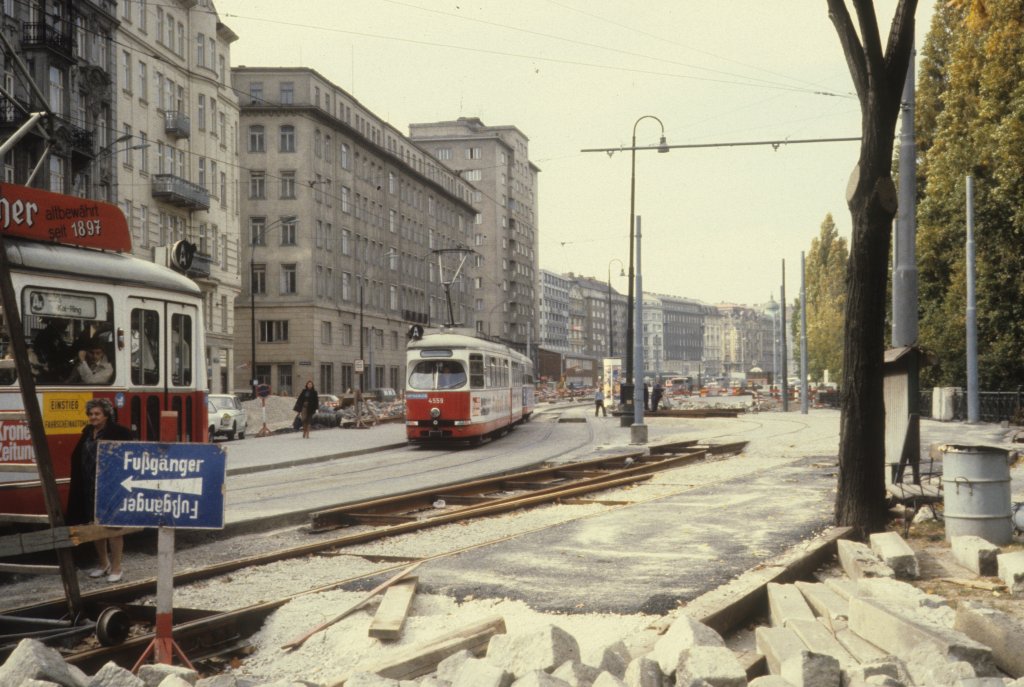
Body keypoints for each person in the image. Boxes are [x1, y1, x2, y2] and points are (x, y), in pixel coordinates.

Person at [65, 398, 133, 583]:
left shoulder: (120, 432)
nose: (93, 417)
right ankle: (103, 564)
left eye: (97, 414)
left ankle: (117, 566)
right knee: (94, 526)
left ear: (106, 415)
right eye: (90, 414)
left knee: (113, 527)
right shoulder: (87, 432)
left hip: (110, 486)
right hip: (88, 486)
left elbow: (128, 457)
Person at [31, 318, 74, 382]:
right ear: (57, 321)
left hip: (50, 369)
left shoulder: (54, 334)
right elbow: (50, 356)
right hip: (47, 372)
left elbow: (64, 350)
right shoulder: (48, 335)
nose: (67, 325)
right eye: (65, 321)